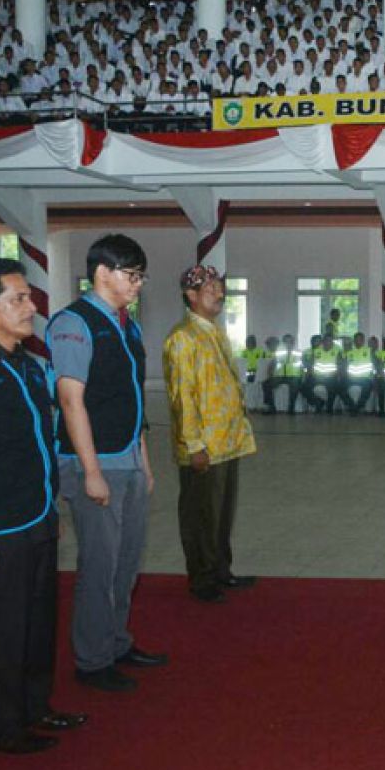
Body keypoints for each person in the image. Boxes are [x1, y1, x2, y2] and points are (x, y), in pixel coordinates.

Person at [0, 258, 86, 755]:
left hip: (37, 515)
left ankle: (35, 706)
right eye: (17, 299)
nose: (31, 307)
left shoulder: (26, 364)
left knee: (35, 622)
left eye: (28, 297)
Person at [47, 234, 167, 693]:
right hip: (93, 464)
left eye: (140, 276)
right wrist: (91, 470)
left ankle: (117, 640)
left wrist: (144, 461)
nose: (138, 285)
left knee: (126, 561)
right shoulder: (73, 324)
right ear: (102, 273)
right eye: (131, 275)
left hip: (128, 460)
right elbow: (71, 401)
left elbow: (131, 401)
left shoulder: (126, 325)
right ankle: (92, 659)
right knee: (99, 564)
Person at [162, 264, 258, 605]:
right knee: (201, 513)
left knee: (222, 512)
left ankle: (221, 569)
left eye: (219, 287)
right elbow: (181, 397)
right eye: (211, 288)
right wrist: (195, 445)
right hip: (203, 446)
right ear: (191, 295)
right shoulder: (182, 338)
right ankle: (201, 578)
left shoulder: (213, 331)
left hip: (226, 441)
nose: (219, 294)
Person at [264, 333, 303, 415]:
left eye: (290, 341)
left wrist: (302, 376)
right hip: (280, 375)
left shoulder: (298, 352)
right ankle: (271, 407)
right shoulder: (279, 352)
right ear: (283, 342)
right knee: (266, 384)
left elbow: (302, 366)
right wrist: (270, 374)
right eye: (286, 341)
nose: (288, 343)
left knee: (295, 385)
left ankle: (291, 407)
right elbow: (273, 363)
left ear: (293, 342)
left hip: (293, 376)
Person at [343, 332, 376, 415]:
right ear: (354, 341)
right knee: (339, 386)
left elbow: (377, 364)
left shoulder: (369, 351)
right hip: (351, 378)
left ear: (363, 341)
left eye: (360, 340)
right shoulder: (349, 352)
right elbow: (343, 365)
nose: (358, 341)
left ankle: (358, 407)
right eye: (356, 340)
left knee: (367, 387)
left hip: (365, 378)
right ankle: (351, 405)